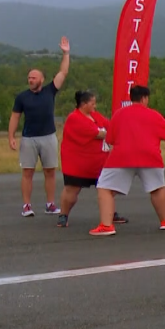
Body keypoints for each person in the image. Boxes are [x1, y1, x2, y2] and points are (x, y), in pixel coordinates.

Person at [89, 85, 165, 236]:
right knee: (157, 187)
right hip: (150, 156)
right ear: (145, 98)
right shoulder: (153, 114)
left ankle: (106, 225)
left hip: (122, 157)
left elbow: (110, 139)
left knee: (105, 188)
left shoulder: (119, 114)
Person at [8, 35, 70, 217]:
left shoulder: (50, 91)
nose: (31, 79)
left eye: (34, 77)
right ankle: (27, 206)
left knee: (50, 171)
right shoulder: (22, 97)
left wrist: (66, 53)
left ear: (42, 79)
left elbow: (63, 73)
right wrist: (11, 136)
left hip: (48, 136)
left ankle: (50, 204)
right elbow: (14, 117)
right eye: (29, 77)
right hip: (29, 138)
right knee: (27, 172)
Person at [56, 90, 126, 228]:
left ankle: (110, 213)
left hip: (99, 161)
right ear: (83, 104)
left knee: (107, 188)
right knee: (72, 189)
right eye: (92, 103)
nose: (95, 106)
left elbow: (109, 124)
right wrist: (113, 133)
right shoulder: (74, 118)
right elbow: (97, 133)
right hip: (78, 162)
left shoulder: (95, 115)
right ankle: (63, 215)